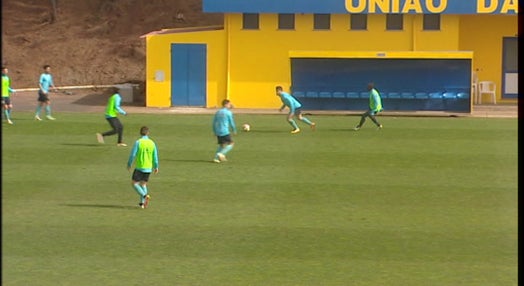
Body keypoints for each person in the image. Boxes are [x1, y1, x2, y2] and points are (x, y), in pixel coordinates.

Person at [127, 126, 159, 209]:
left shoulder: (138, 142)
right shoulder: (152, 143)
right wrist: (156, 167)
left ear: (140, 133)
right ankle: (142, 203)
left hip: (140, 167)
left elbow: (133, 154)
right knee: (143, 184)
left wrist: (129, 164)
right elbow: (155, 156)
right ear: (148, 133)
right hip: (148, 168)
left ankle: (144, 196)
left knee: (134, 183)